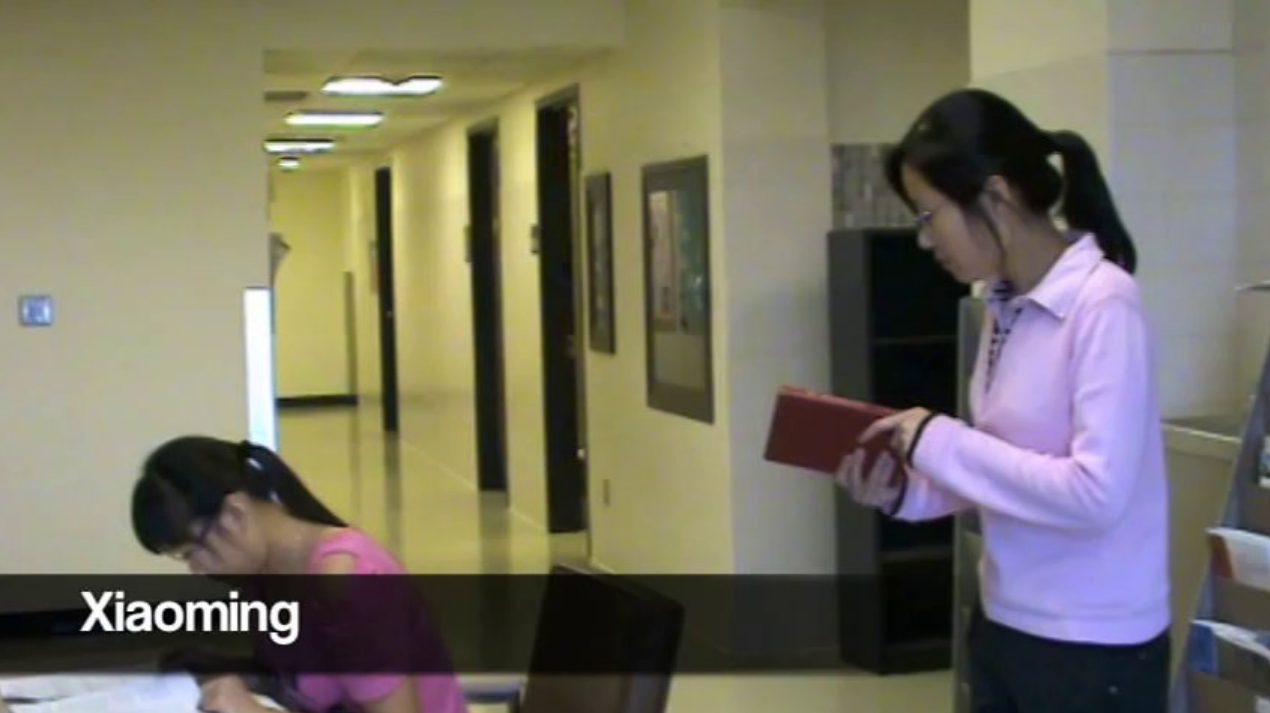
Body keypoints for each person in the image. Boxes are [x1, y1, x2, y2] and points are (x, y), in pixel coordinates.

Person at [836, 89, 1170, 713]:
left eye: (928, 215)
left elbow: (1095, 495)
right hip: (1005, 623)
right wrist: (907, 490)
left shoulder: (1104, 303)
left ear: (995, 196)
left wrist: (938, 439)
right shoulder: (1002, 304)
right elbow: (1006, 467)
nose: (924, 241)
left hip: (1092, 647)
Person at [131, 436, 469, 713]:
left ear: (234, 514)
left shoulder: (348, 579)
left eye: (194, 552)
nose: (198, 569)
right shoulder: (265, 575)